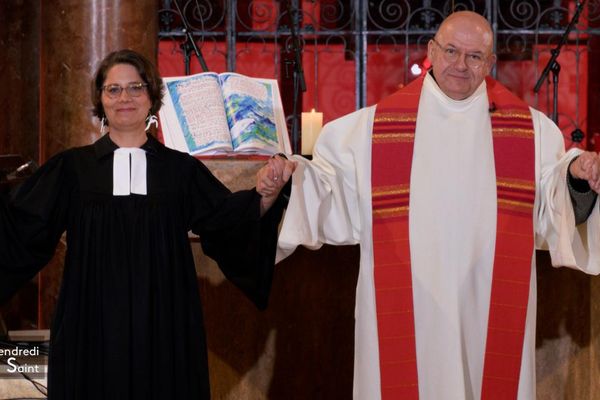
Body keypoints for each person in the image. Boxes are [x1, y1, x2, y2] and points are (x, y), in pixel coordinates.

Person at [272, 11, 600, 400]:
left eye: (475, 56)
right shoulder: (370, 129)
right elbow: (328, 191)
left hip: (488, 308)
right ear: (431, 50)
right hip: (407, 309)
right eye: (451, 51)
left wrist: (577, 176)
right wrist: (293, 178)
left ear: (491, 63)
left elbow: (553, 203)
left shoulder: (531, 132)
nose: (461, 64)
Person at [0, 49, 296, 399]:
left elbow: (227, 220)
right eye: (114, 89)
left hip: (164, 319)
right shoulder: (71, 168)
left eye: (136, 87)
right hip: (90, 320)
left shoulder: (180, 170)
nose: (125, 97)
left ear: (152, 97)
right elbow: (21, 223)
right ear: (100, 99)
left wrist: (264, 194)